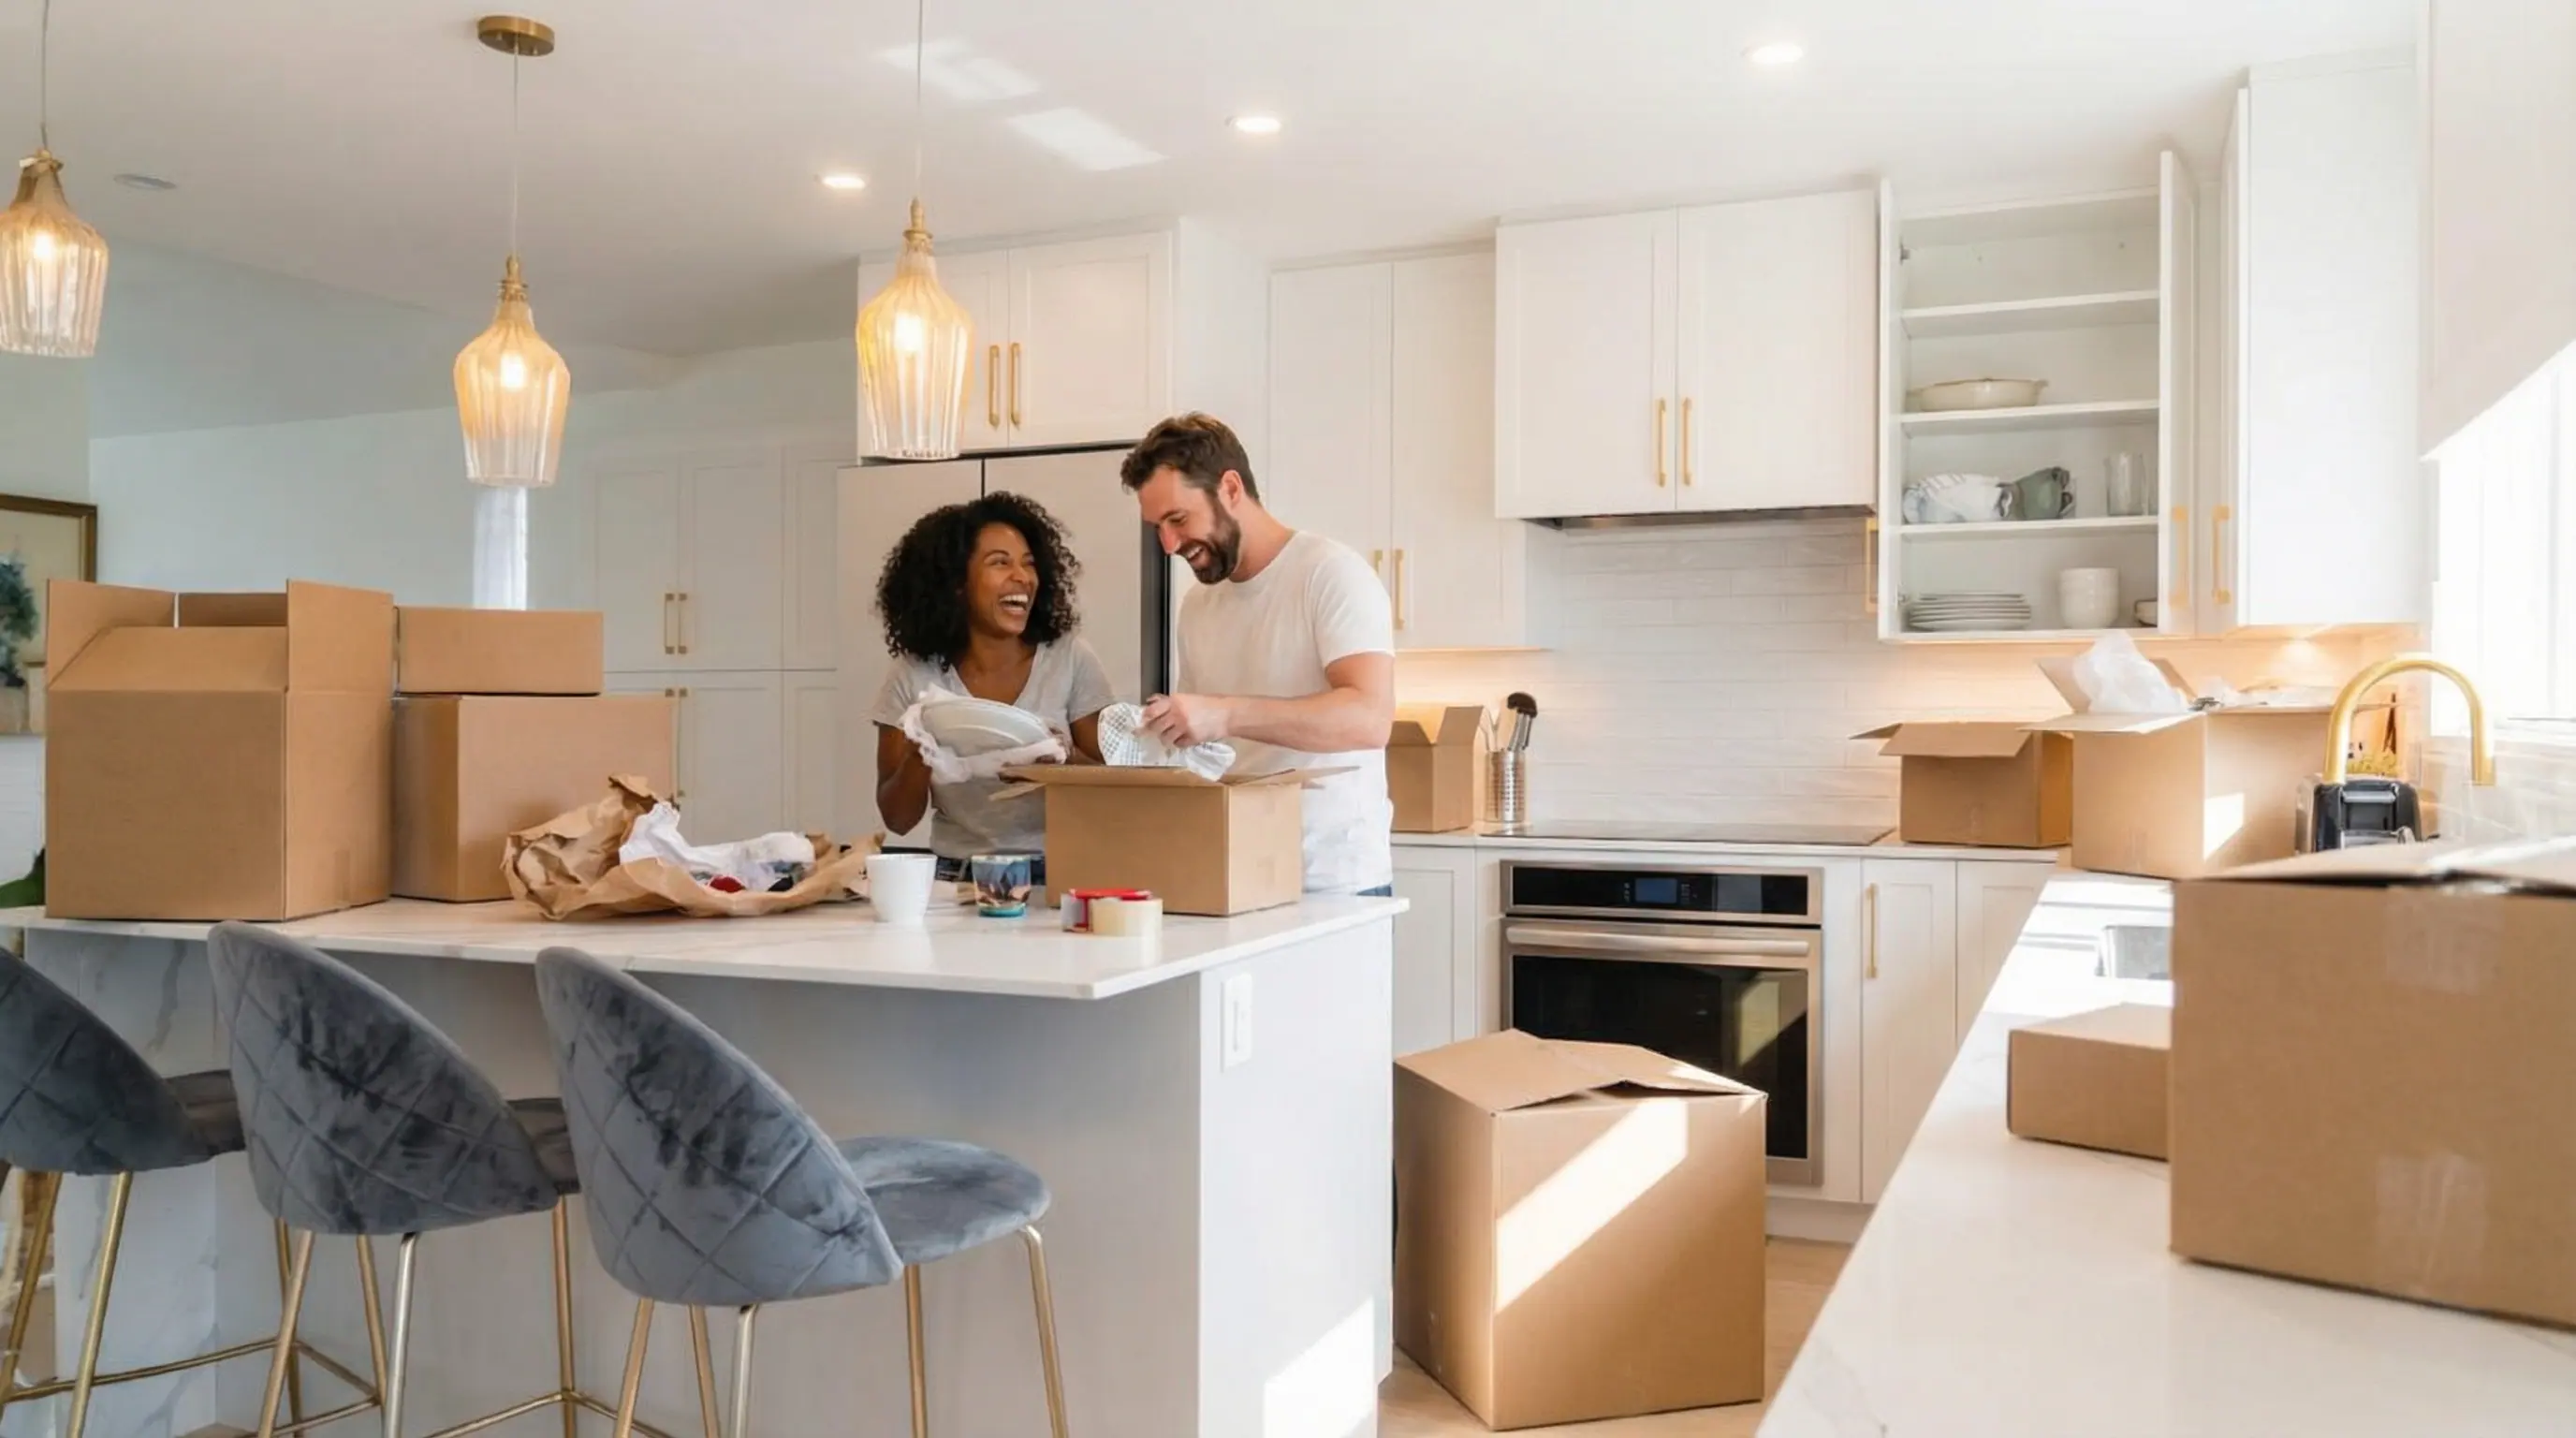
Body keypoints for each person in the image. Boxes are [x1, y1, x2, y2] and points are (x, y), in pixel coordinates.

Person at [1121, 413, 1398, 897]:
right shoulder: (1199, 605)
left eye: (1178, 519)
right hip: (1235, 876)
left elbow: (1370, 718)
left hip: (1333, 884)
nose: (1168, 545)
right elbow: (1203, 748)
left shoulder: (1330, 574)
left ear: (1230, 489)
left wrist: (1224, 714)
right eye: (1157, 528)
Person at [870, 492, 1114, 883]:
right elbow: (897, 819)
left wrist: (1067, 760)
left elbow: (1118, 787)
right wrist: (920, 754)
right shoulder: (914, 674)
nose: (1023, 577)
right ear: (956, 585)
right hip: (956, 879)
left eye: (1029, 564)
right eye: (1000, 563)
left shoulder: (1069, 659)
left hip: (1057, 878)